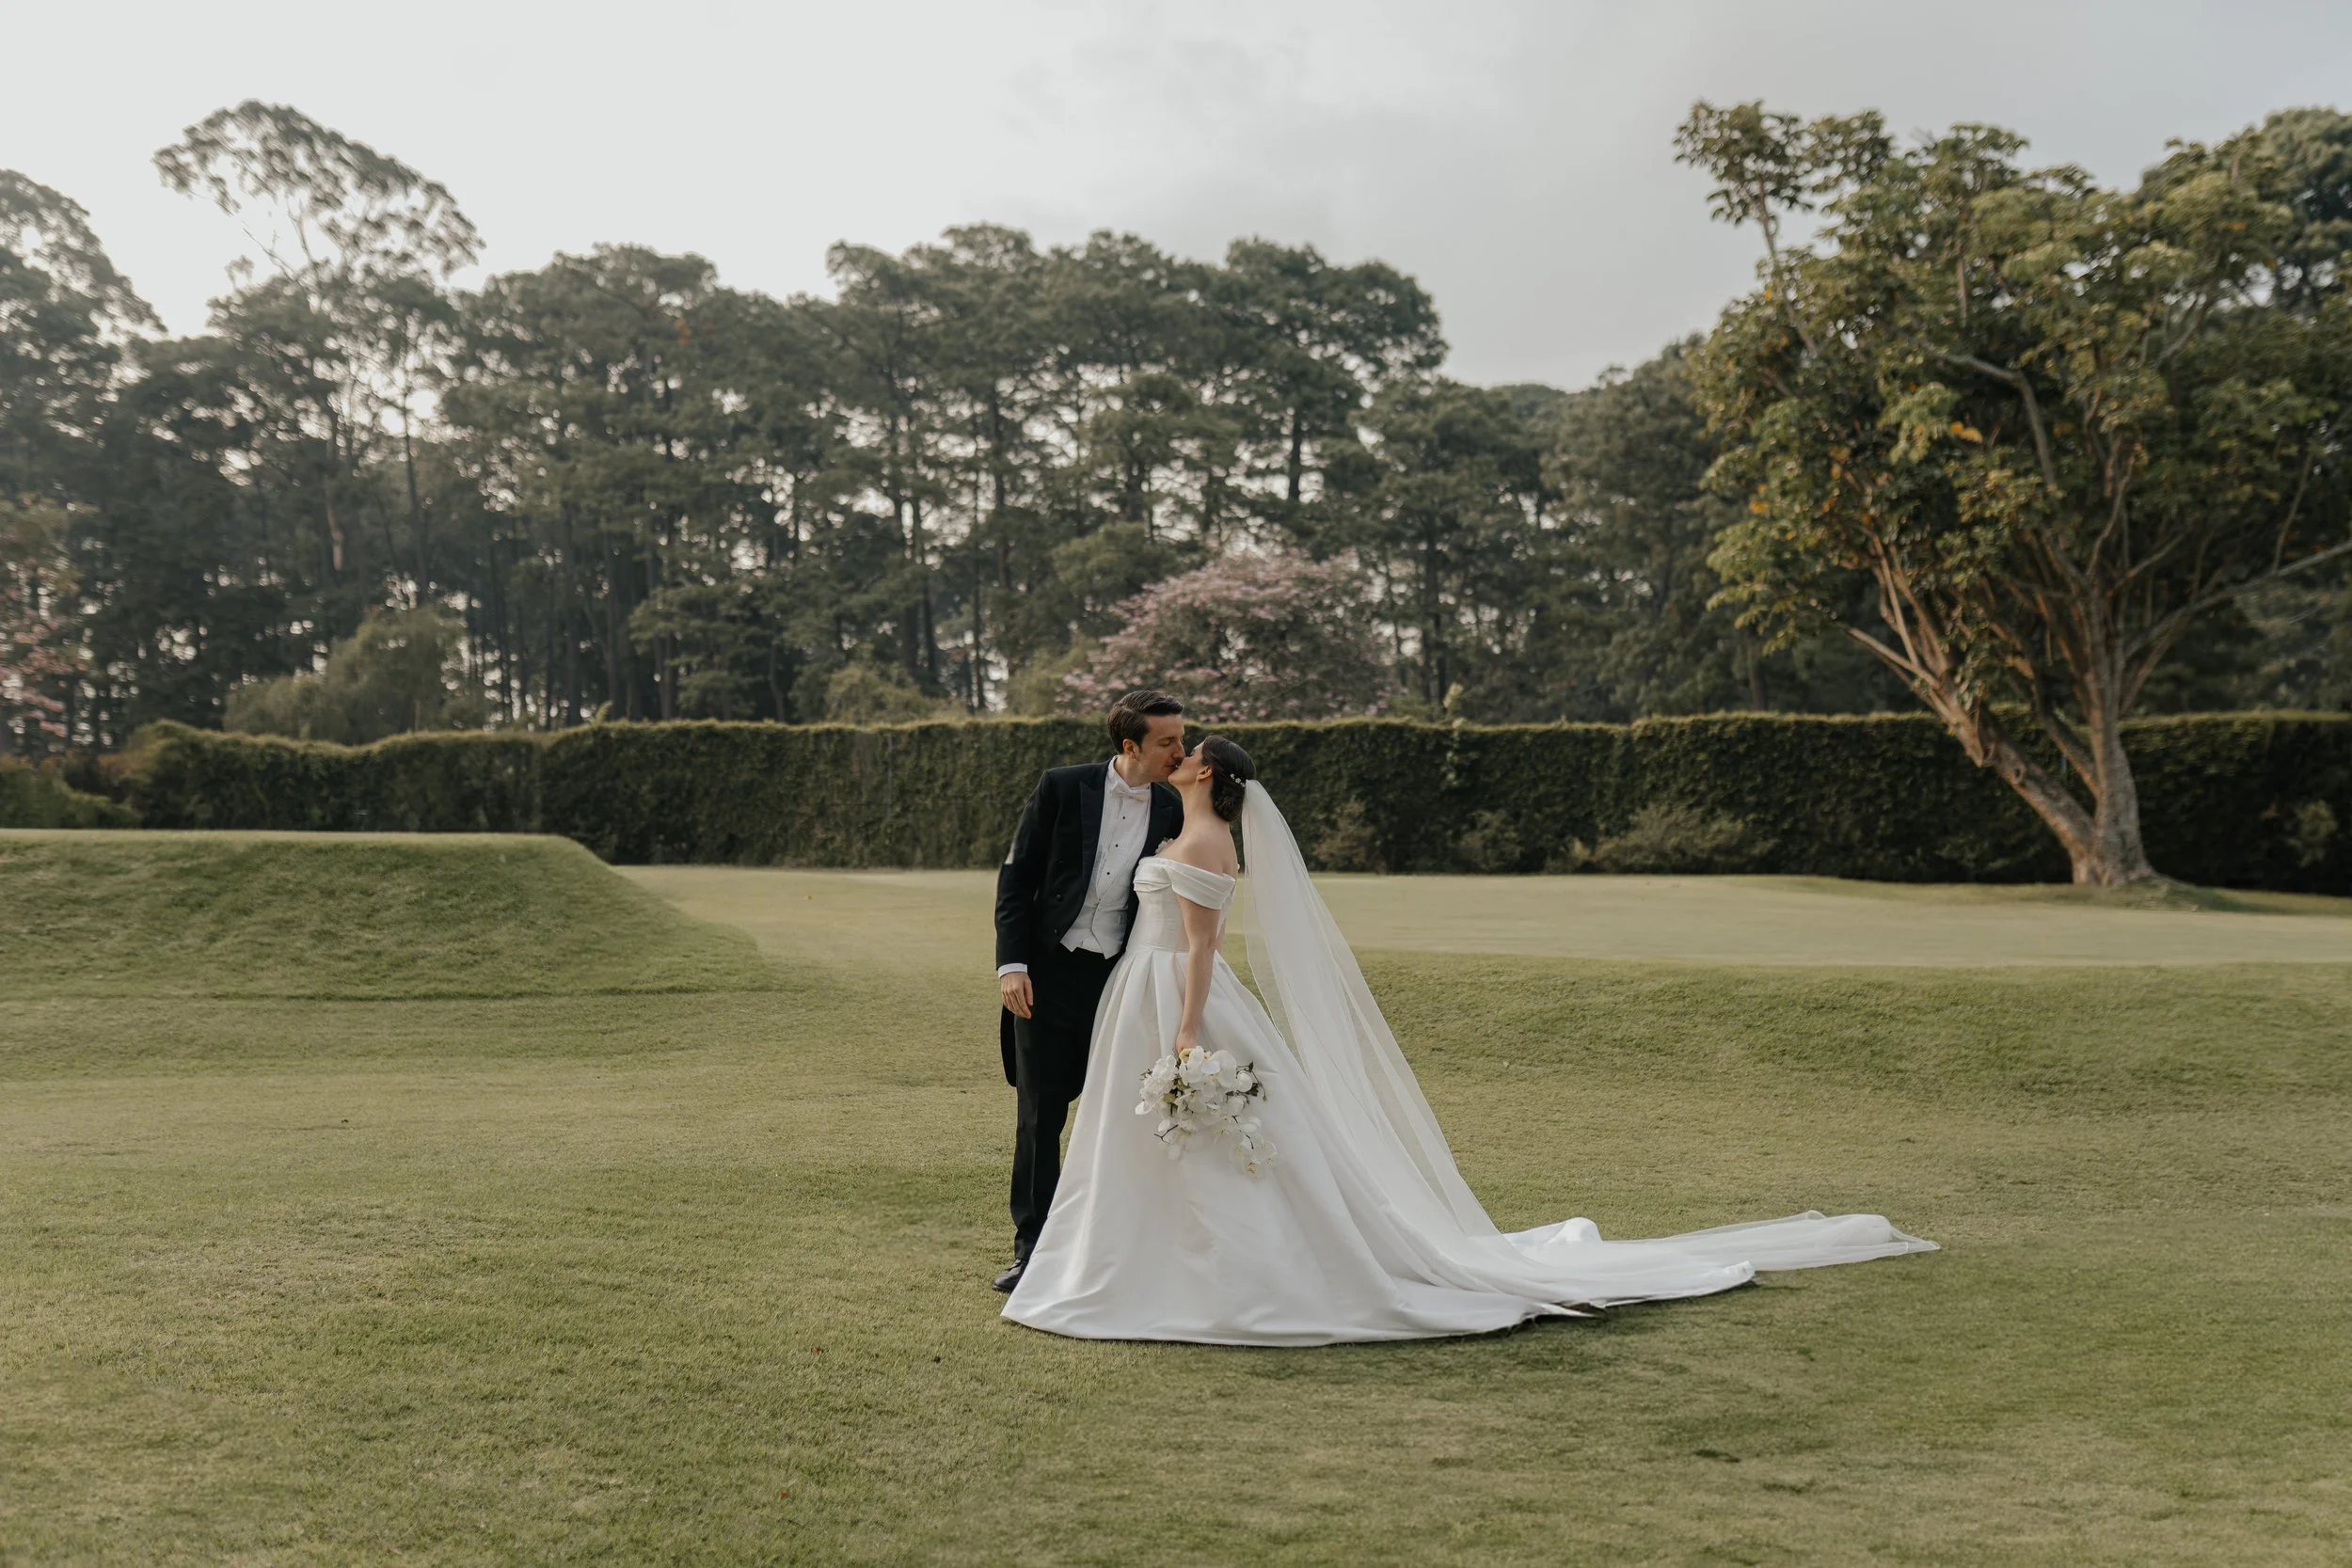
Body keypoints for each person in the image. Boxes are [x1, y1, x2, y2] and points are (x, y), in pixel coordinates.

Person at [1004, 737, 1937, 1345]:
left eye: (1187, 751)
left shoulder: (1205, 845)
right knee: (1160, 1142)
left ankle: (1221, 1274)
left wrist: (1181, 1031)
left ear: (1207, 773)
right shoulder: (1179, 824)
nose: (1177, 753)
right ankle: (1146, 1255)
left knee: (1225, 1138)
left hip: (1179, 997)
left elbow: (1202, 948)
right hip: (1143, 986)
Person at [990, 689, 1188, 1293]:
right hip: (1046, 976)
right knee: (1039, 1113)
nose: (1180, 751)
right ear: (1130, 746)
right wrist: (1012, 966)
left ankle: (1112, 1242)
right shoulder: (1060, 787)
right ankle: (1032, 1248)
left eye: (1181, 738)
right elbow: (1017, 876)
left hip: (1122, 979)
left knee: (1115, 1117)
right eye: (1167, 742)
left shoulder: (1174, 808)